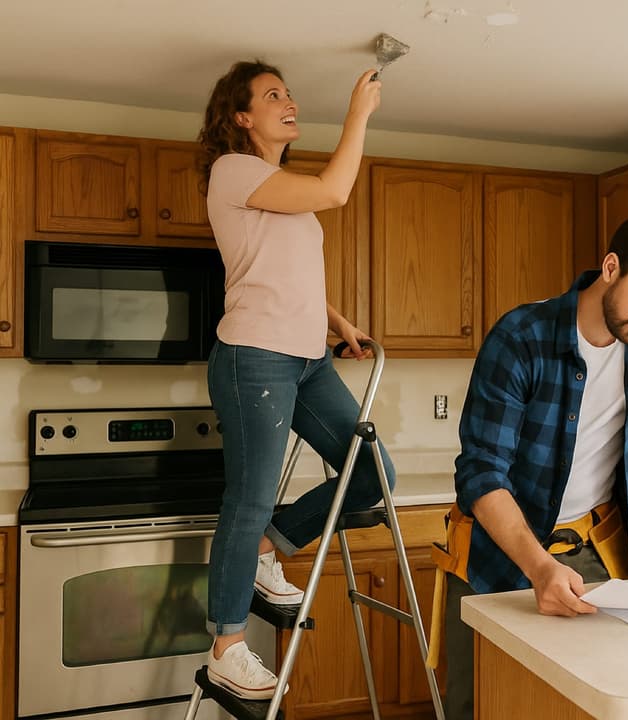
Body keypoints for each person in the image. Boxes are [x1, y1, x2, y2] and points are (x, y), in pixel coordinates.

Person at [441, 213, 628, 719]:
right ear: (610, 267)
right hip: (498, 559)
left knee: (583, 706)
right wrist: (539, 568)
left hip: (594, 555)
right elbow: (482, 472)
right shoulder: (522, 337)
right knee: (484, 705)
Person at [197, 59, 388, 700]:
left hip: (308, 358)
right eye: (273, 94)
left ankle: (267, 549)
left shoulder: (278, 185)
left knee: (372, 472)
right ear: (242, 116)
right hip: (254, 355)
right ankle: (226, 645)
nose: (290, 100)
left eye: (290, 92)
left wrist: (339, 323)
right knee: (246, 501)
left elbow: (284, 269)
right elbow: (336, 191)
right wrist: (357, 114)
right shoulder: (234, 170)